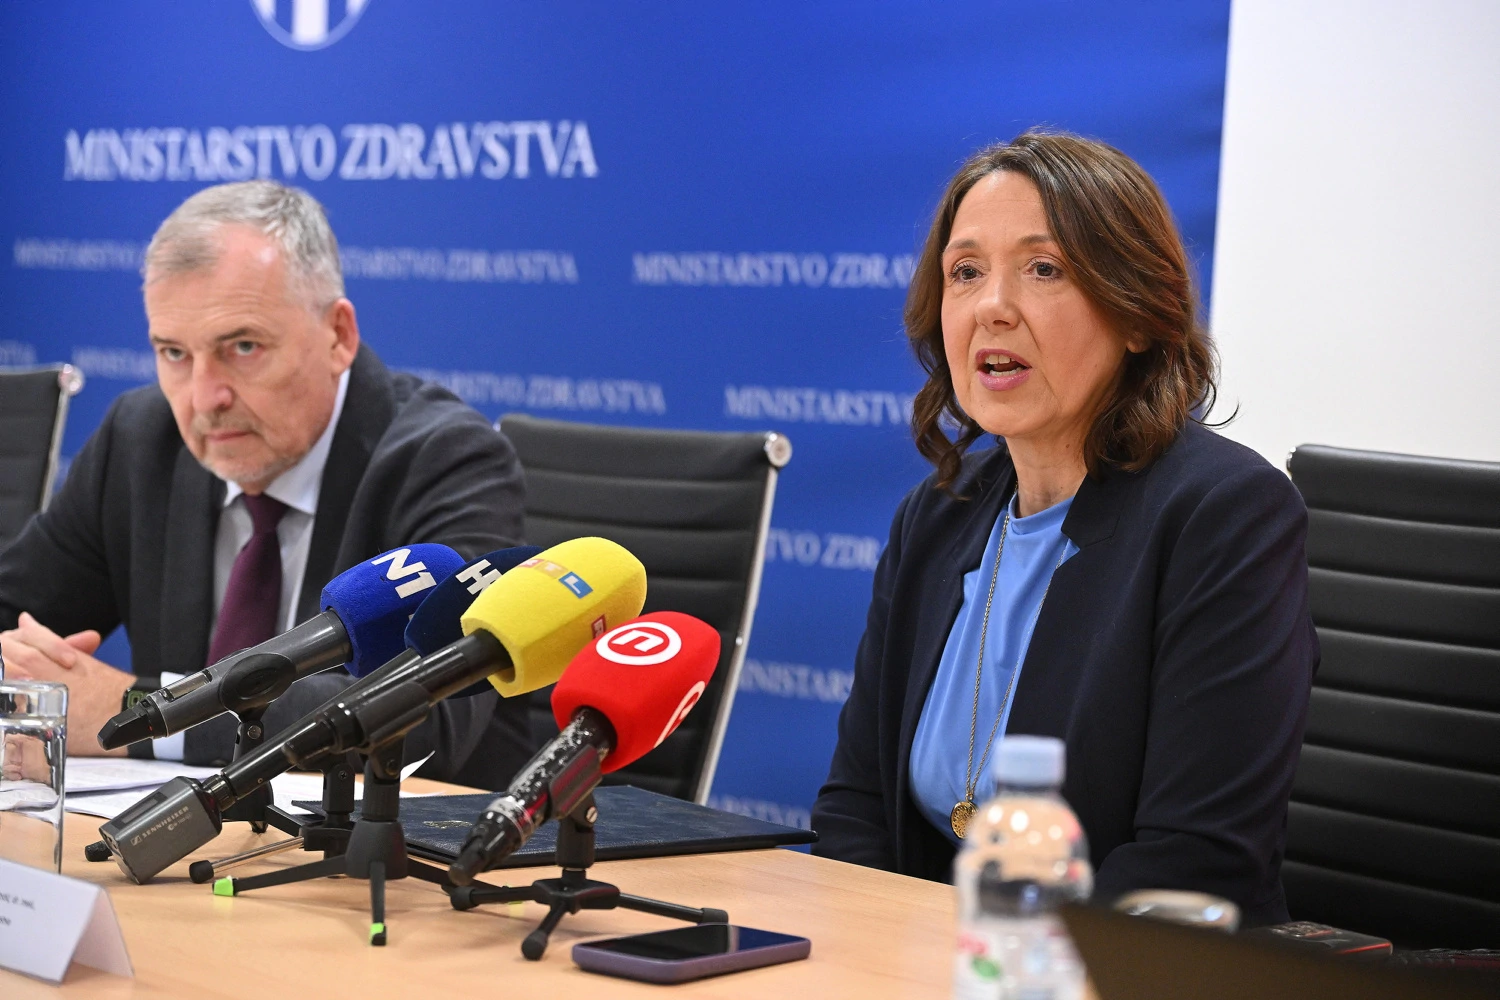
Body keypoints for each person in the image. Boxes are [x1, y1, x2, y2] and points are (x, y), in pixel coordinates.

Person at [810, 130, 1317, 926]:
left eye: (1043, 269)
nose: (992, 306)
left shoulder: (1224, 515)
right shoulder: (937, 515)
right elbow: (856, 809)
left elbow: (1193, 866)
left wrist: (987, 966)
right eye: (965, 272)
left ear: (1137, 315)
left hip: (1128, 970)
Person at [0, 180, 531, 788]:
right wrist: (24, 674)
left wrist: (138, 712)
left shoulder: (447, 459)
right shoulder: (141, 439)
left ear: (339, 336)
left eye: (243, 346)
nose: (205, 398)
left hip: (419, 838)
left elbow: (425, 709)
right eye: (173, 353)